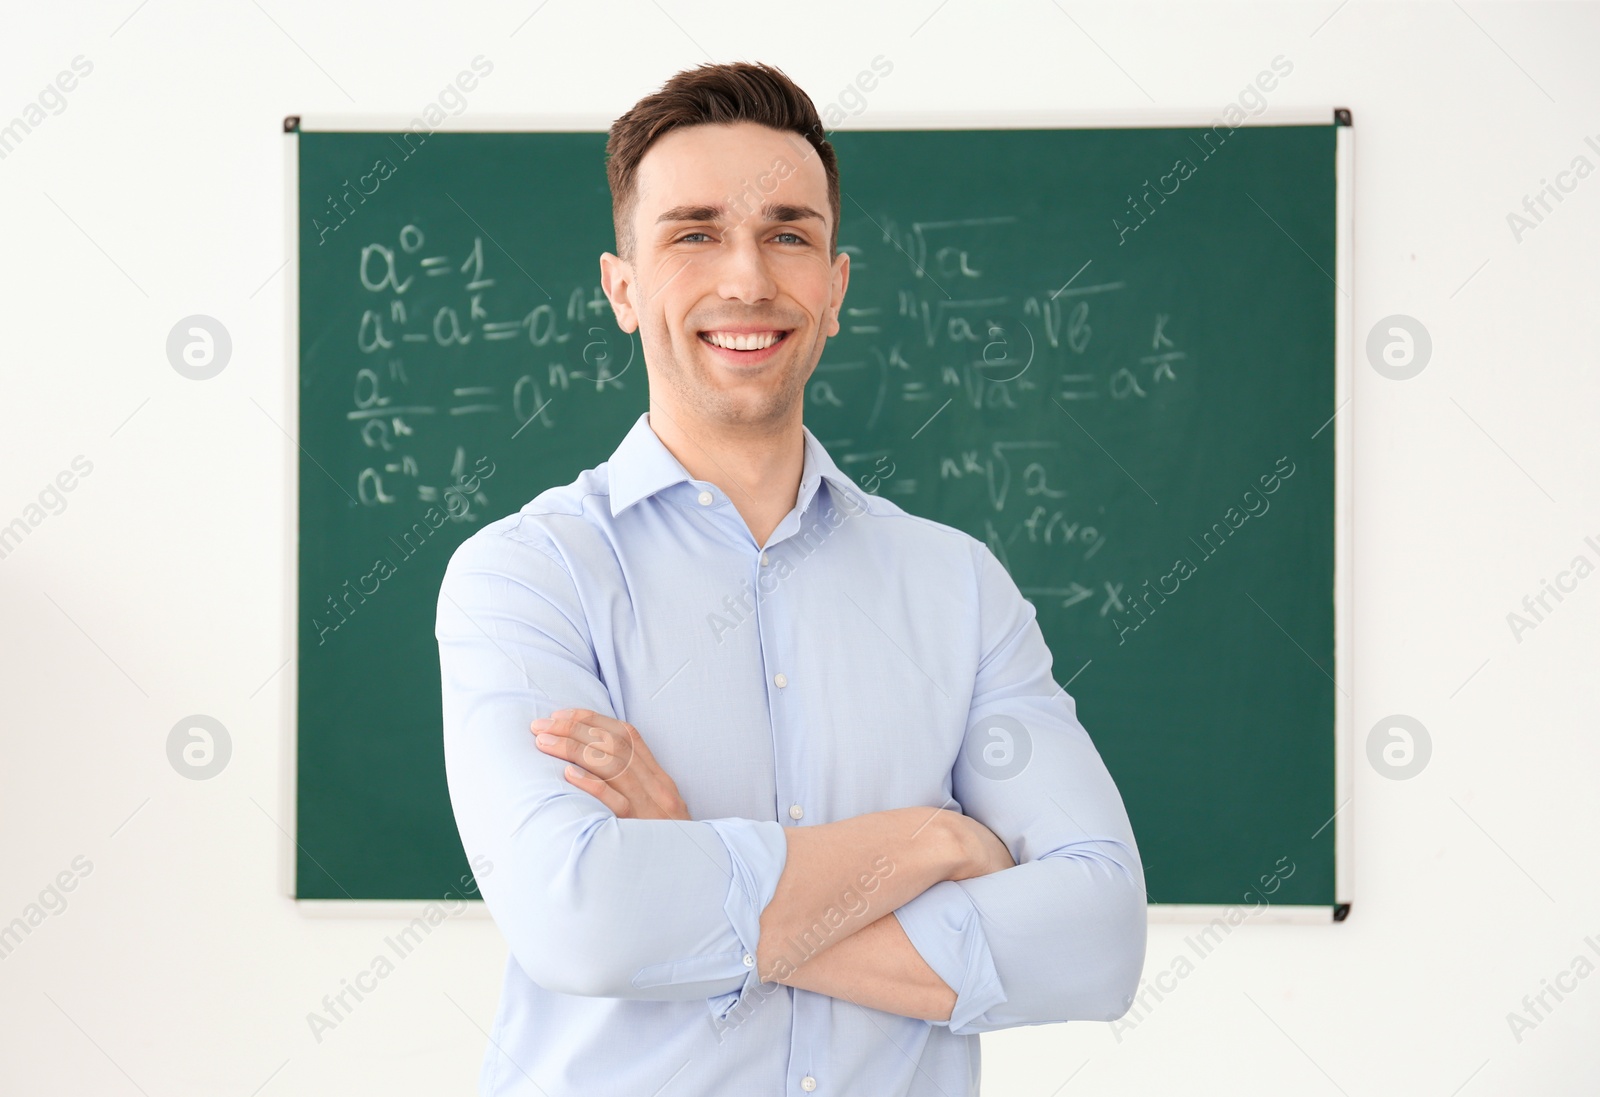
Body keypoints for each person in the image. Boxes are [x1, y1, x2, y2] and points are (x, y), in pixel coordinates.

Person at [436, 60, 1145, 1097]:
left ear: (835, 285)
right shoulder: (530, 574)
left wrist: (685, 861)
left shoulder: (957, 586)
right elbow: (579, 918)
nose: (747, 280)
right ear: (622, 288)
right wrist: (929, 838)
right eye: (692, 233)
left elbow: (1096, 936)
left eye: (787, 233)